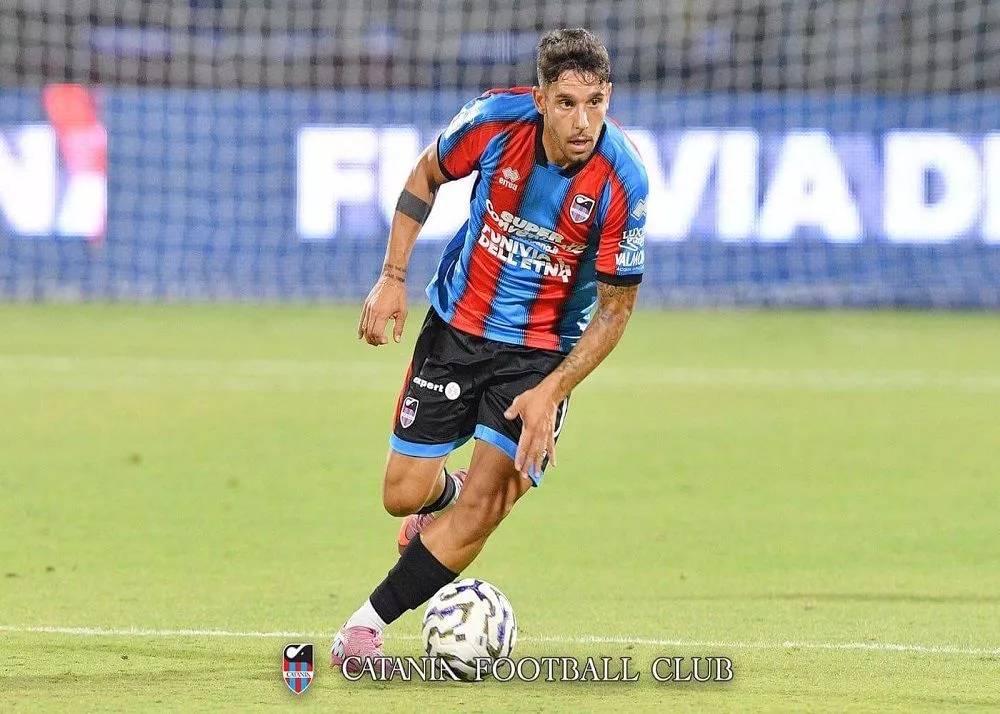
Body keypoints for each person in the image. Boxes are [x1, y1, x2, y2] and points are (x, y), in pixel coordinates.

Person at [331, 27, 648, 670]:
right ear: (540, 99)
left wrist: (552, 393)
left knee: (488, 505)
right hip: (457, 329)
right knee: (401, 493)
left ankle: (363, 627)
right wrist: (392, 279)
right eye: (566, 103)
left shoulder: (623, 180)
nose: (582, 120)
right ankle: (441, 500)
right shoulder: (496, 121)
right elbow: (426, 172)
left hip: (541, 356)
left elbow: (615, 311)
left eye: (594, 103)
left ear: (608, 99)